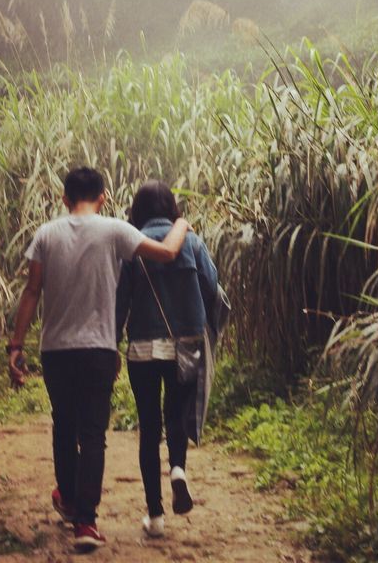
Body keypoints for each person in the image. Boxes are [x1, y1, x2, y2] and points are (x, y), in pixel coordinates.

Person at [8, 166, 191, 553]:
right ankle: (86, 523)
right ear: (104, 196)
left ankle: (70, 500)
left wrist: (15, 346)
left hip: (56, 350)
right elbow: (168, 253)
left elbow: (31, 291)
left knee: (63, 427)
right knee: (93, 435)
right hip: (99, 350)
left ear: (64, 198)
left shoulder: (46, 234)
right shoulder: (115, 230)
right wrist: (182, 222)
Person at [115, 180, 218, 540]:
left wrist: (113, 343)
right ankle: (177, 469)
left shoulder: (132, 245)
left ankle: (155, 515)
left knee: (149, 425)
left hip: (143, 346)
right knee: (176, 413)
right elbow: (211, 285)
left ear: (137, 209)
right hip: (186, 342)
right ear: (171, 206)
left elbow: (121, 300)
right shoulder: (191, 241)